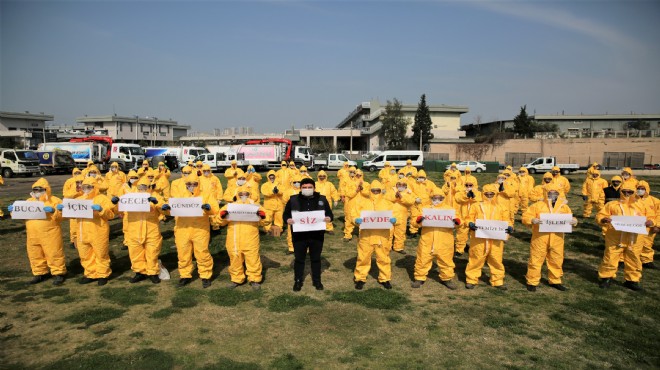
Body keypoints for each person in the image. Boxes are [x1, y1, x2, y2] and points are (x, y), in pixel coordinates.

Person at [162, 173, 219, 288]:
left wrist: (208, 209)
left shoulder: (206, 195)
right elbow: (171, 209)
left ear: (199, 184)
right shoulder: (180, 195)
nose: (192, 186)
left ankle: (205, 276)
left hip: (200, 229)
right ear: (185, 184)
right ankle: (185, 275)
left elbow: (215, 209)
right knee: (183, 254)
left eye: (194, 184)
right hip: (182, 228)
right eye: (189, 184)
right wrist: (166, 209)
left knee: (202, 253)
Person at [596, 184, 655, 291]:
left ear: (634, 192)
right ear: (621, 192)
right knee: (610, 257)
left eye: (630, 192)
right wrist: (603, 220)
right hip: (615, 236)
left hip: (635, 238)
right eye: (625, 191)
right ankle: (606, 278)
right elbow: (601, 215)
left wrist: (651, 222)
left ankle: (632, 281)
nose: (627, 194)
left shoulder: (641, 205)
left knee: (634, 258)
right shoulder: (612, 205)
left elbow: (651, 216)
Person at [8, 178, 67, 285]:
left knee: (54, 253)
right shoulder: (29, 202)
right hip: (32, 234)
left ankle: (58, 273)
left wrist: (54, 211)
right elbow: (22, 216)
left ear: (46, 189)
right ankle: (40, 273)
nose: (37, 191)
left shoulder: (54, 200)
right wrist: (13, 211)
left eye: (40, 189)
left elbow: (64, 217)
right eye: (35, 189)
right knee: (35, 254)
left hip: (50, 233)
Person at [522, 184, 577, 292]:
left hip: (557, 238)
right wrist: (532, 220)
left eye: (555, 192)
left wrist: (574, 221)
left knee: (556, 260)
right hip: (540, 238)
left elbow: (570, 216)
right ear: (545, 193)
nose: (553, 194)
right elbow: (525, 216)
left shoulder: (564, 207)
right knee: (536, 259)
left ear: (559, 193)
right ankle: (532, 281)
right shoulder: (538, 205)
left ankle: (555, 280)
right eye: (550, 193)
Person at [61, 177, 115, 286]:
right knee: (85, 255)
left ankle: (102, 274)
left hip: (98, 231)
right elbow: (72, 218)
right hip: (82, 232)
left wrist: (101, 210)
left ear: (95, 187)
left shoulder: (102, 199)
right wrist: (63, 210)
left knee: (101, 254)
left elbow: (110, 215)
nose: (87, 188)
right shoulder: (78, 200)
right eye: (84, 186)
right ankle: (90, 274)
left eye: (89, 186)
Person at [111, 176, 164, 284]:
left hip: (151, 229)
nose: (142, 188)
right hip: (134, 229)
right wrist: (116, 203)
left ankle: (152, 272)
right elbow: (117, 211)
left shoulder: (155, 196)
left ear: (149, 186)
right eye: (140, 186)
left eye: (144, 186)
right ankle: (139, 272)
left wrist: (157, 202)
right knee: (135, 253)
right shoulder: (129, 197)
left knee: (152, 253)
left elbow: (166, 210)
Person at [283, 177, 333, 291]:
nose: (307, 189)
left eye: (309, 187)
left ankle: (317, 281)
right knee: (299, 259)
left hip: (316, 235)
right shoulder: (293, 200)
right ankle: (298, 281)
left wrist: (329, 218)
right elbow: (285, 214)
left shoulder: (322, 199)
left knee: (315, 258)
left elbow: (330, 213)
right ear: (300, 188)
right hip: (299, 236)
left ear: (314, 188)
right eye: (304, 187)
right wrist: (288, 220)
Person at [217, 185, 269, 290]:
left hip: (251, 238)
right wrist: (221, 216)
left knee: (252, 258)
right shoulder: (230, 206)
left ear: (250, 194)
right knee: (235, 258)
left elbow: (266, 220)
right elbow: (218, 221)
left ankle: (254, 279)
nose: (243, 195)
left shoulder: (255, 206)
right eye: (241, 194)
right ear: (237, 194)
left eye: (246, 194)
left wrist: (262, 216)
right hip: (234, 238)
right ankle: (236, 279)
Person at [410, 187, 461, 289]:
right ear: (431, 198)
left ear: (443, 198)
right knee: (422, 259)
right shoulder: (425, 209)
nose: (437, 200)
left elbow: (459, 222)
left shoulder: (449, 209)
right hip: (427, 240)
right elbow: (414, 223)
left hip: (445, 241)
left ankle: (447, 279)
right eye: (434, 198)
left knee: (446, 260)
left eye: (440, 198)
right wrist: (418, 220)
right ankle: (419, 278)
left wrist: (457, 222)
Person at [464, 184, 513, 290]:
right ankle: (471, 279)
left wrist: (509, 227)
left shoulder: (501, 207)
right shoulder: (476, 206)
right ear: (483, 194)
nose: (489, 195)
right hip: (479, 239)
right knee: (475, 259)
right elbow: (468, 218)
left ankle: (497, 281)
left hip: (495, 239)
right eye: (487, 194)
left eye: (492, 194)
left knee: (496, 260)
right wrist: (470, 224)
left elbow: (507, 220)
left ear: (495, 194)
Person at [352, 180, 396, 290]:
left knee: (383, 258)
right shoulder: (362, 202)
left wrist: (395, 220)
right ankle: (360, 279)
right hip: (366, 235)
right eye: (373, 190)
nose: (376, 192)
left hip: (382, 236)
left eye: (378, 190)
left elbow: (396, 216)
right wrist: (355, 220)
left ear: (381, 190)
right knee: (363, 258)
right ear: (370, 190)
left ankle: (385, 279)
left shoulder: (388, 203)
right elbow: (353, 214)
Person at [386, 177, 415, 253]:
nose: (401, 186)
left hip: (402, 215)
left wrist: (401, 198)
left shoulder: (409, 192)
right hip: (390, 215)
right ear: (396, 184)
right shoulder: (391, 190)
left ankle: (398, 247)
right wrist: (395, 197)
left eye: (403, 184)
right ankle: (387, 247)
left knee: (400, 232)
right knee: (388, 232)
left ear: (406, 185)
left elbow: (411, 202)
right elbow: (386, 198)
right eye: (399, 184)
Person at [454, 179, 482, 256]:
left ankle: (475, 251)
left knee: (475, 236)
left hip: (475, 219)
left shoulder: (479, 193)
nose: (468, 187)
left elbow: (481, 200)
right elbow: (457, 199)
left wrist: (473, 196)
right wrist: (466, 196)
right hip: (463, 217)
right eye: (467, 185)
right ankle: (459, 250)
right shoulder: (461, 193)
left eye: (470, 185)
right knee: (461, 235)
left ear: (474, 185)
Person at [636, 181, 660, 269]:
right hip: (636, 226)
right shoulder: (632, 199)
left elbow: (659, 214)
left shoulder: (655, 201)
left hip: (650, 227)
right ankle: (628, 261)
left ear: (647, 189)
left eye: (642, 189)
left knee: (647, 244)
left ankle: (646, 261)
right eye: (638, 188)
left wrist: (657, 225)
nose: (640, 190)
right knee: (633, 244)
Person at [261, 170, 284, 235]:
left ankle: (279, 230)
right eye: (270, 176)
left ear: (275, 176)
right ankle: (267, 229)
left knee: (279, 218)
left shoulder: (279, 184)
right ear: (268, 177)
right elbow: (264, 193)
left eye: (273, 176)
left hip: (278, 204)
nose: (271, 177)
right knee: (268, 218)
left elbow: (282, 191)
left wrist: (278, 191)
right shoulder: (265, 185)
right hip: (269, 205)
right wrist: (272, 192)